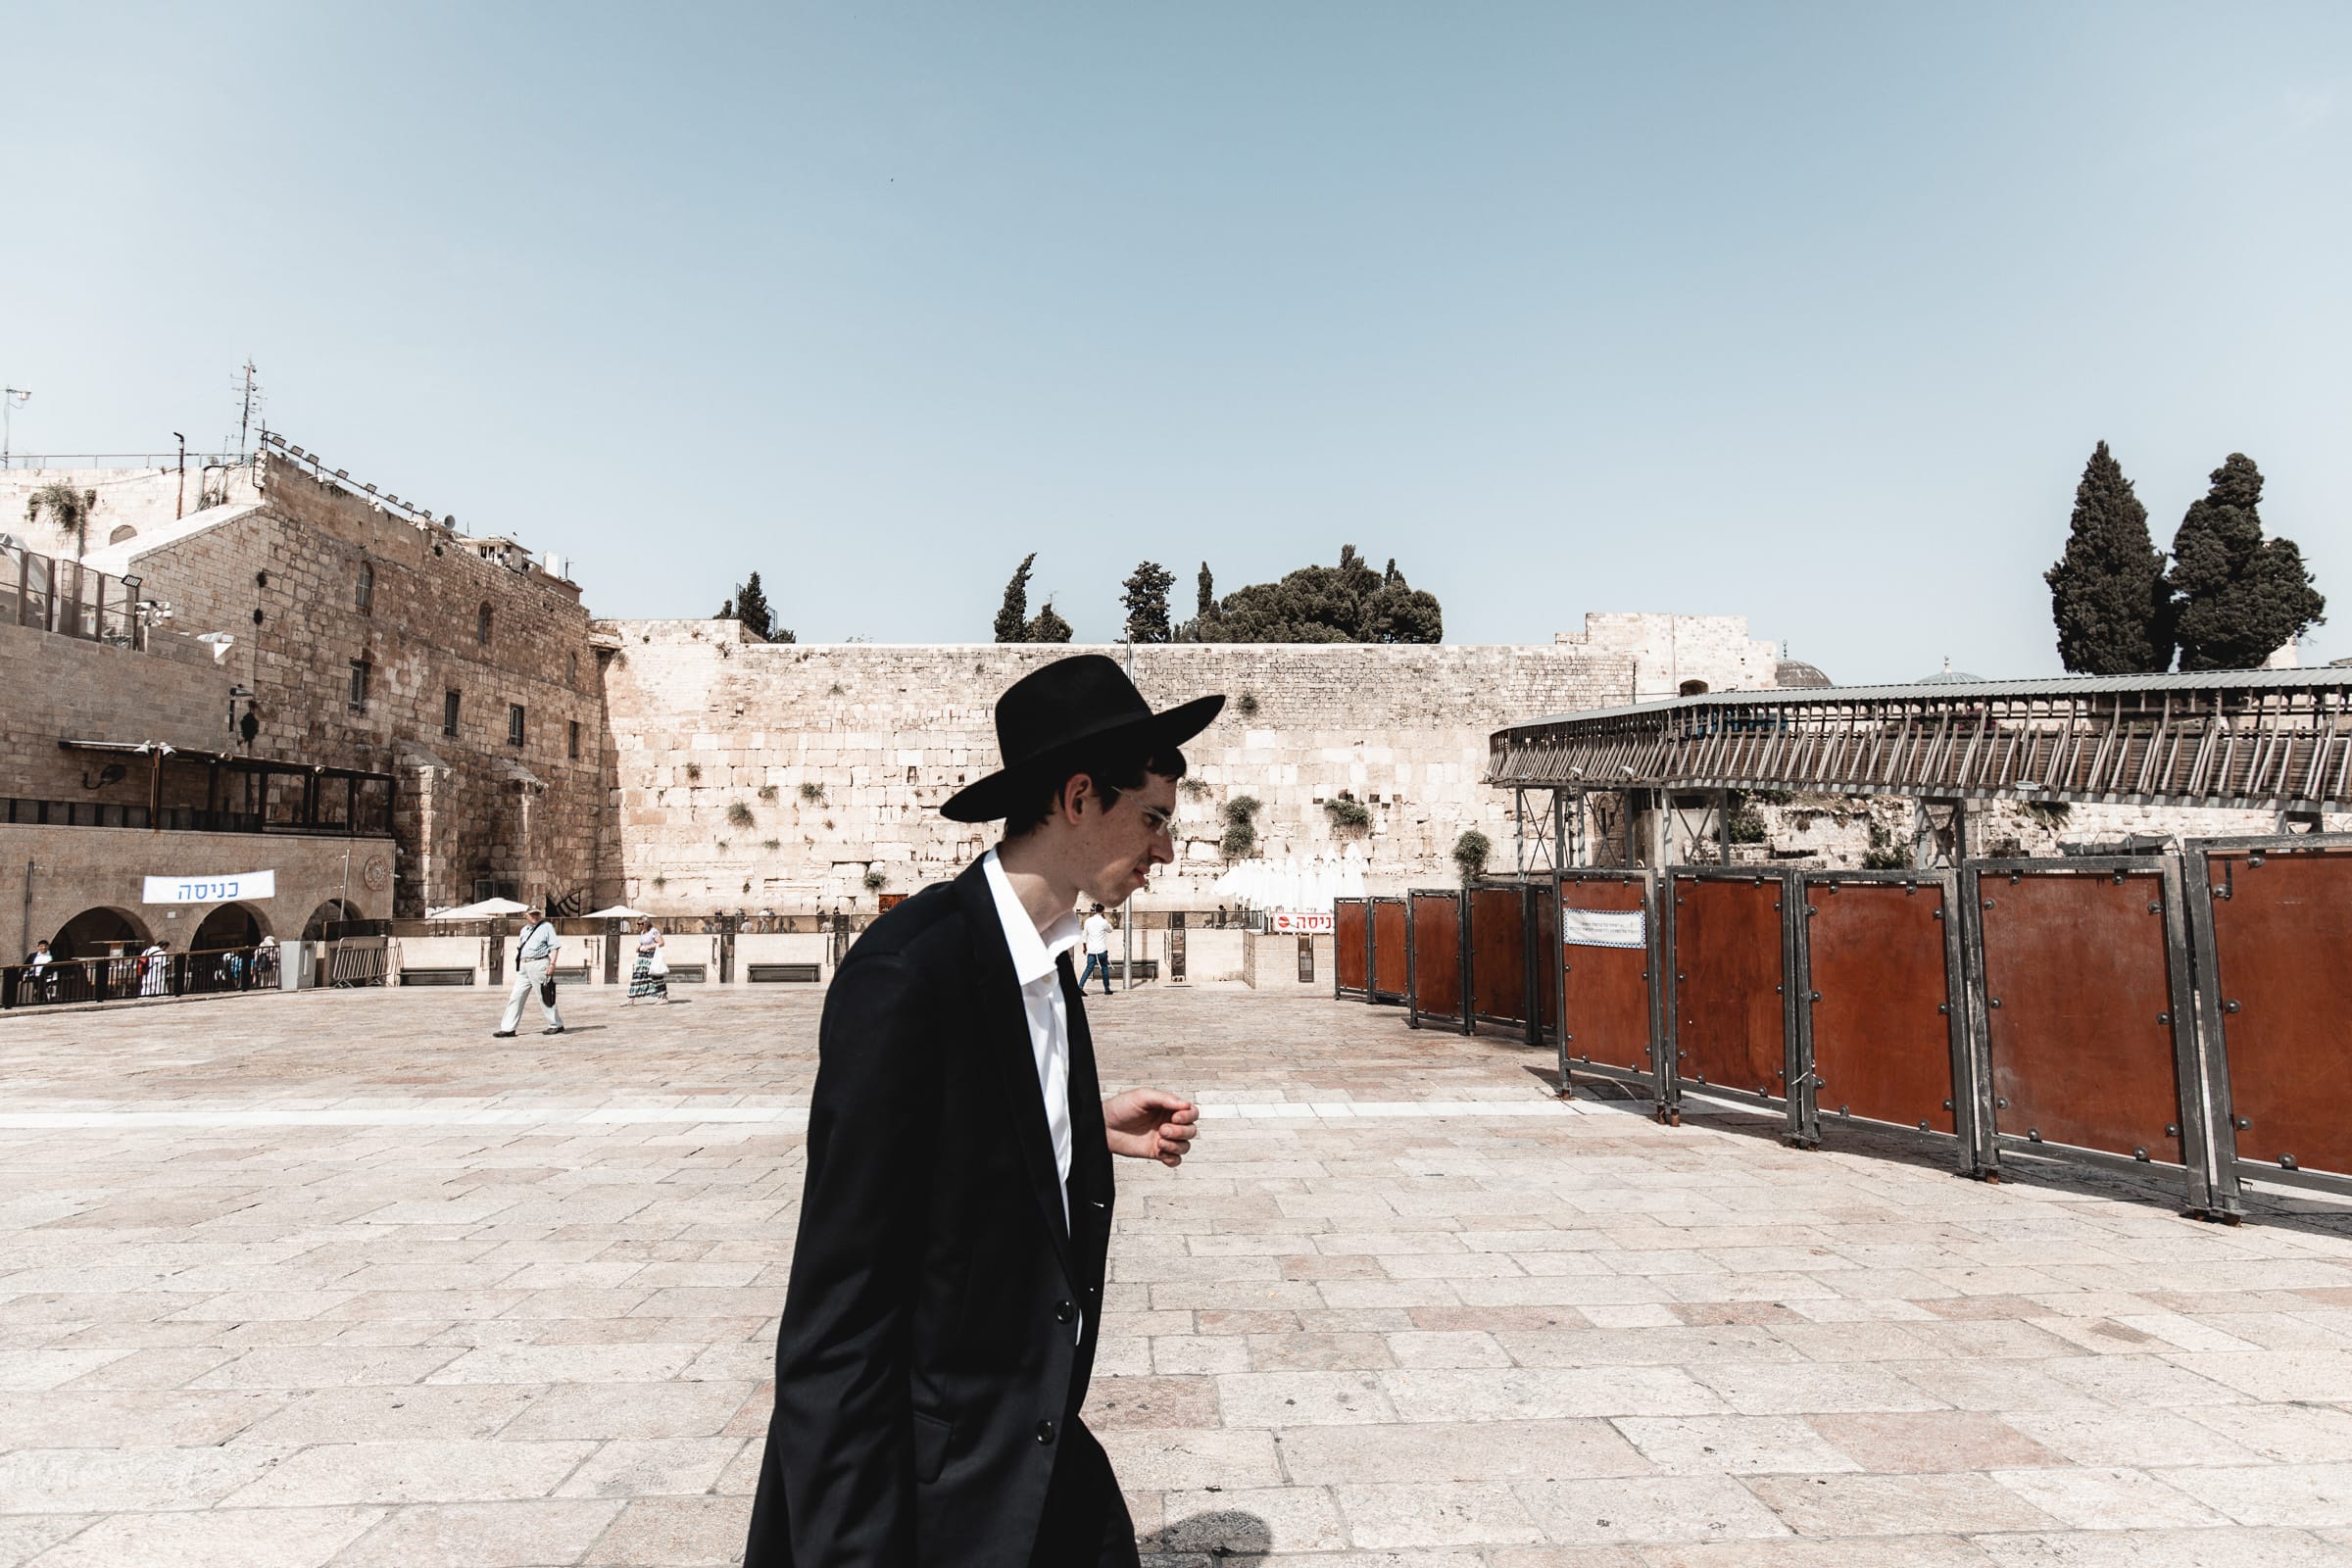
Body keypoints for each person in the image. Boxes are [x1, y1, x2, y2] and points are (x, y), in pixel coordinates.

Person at [745, 653, 1218, 1568]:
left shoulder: (1046, 959)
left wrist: (1081, 1125)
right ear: (1079, 797)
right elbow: (838, 1314)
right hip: (932, 1481)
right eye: (1153, 819)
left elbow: (974, 1132)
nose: (1167, 849)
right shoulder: (907, 975)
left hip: (1025, 1440)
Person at [494, 906, 564, 1037]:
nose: (535, 916)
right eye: (532, 914)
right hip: (524, 965)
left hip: (539, 963)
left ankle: (555, 1024)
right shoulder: (524, 930)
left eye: (537, 914)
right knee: (516, 996)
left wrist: (552, 964)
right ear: (526, 915)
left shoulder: (546, 927)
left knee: (544, 995)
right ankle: (508, 1028)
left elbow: (554, 946)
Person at [627, 917, 668, 1004]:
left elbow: (661, 943)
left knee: (655, 977)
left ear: (646, 923)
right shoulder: (642, 932)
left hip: (650, 957)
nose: (639, 926)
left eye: (641, 924)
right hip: (642, 958)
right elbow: (643, 943)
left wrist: (648, 947)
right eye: (638, 924)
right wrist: (639, 947)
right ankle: (631, 998)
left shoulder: (653, 931)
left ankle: (663, 997)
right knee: (637, 976)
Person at [1078, 903, 1114, 996]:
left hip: (1091, 950)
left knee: (1088, 968)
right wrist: (1105, 919)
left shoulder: (1088, 921)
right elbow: (1110, 930)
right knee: (1104, 969)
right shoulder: (1103, 921)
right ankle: (1107, 989)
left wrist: (1084, 948)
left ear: (1094, 910)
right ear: (1103, 911)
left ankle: (1080, 987)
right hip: (1101, 949)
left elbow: (1084, 936)